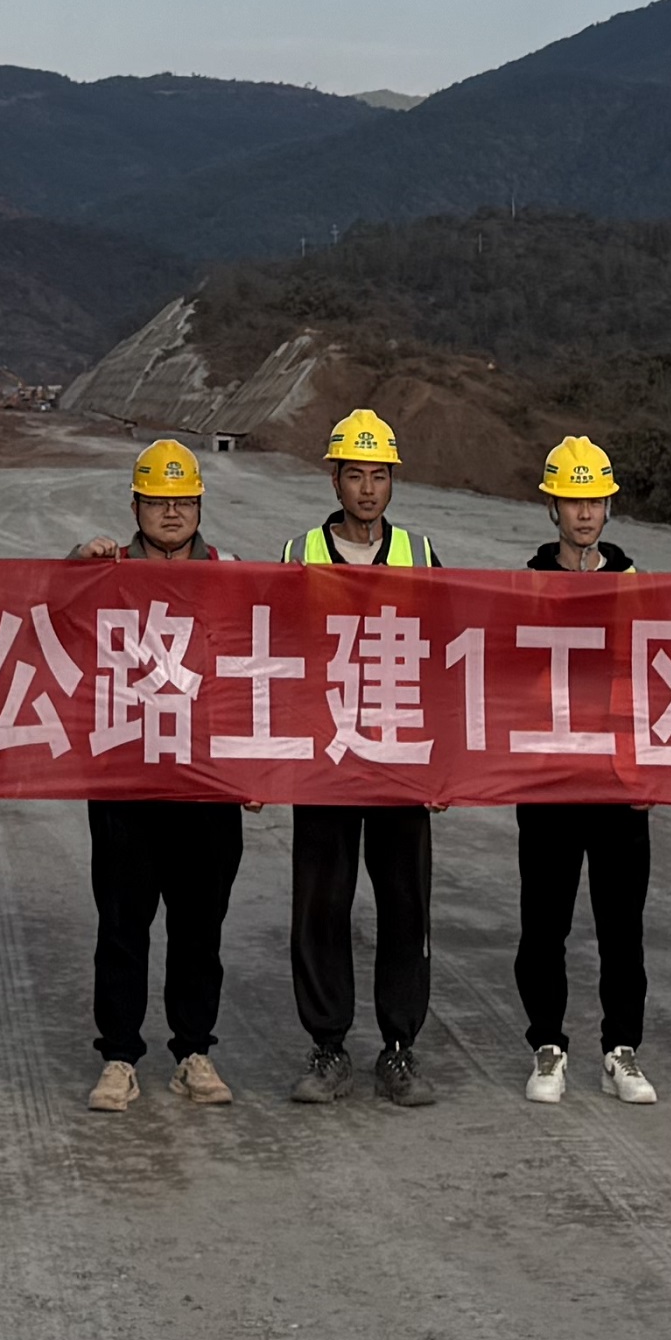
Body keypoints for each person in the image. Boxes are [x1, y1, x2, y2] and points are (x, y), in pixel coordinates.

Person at [68, 437, 240, 1111]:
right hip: (124, 777)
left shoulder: (232, 577)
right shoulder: (104, 573)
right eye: (157, 501)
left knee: (200, 924)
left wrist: (257, 766)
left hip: (206, 781)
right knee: (122, 924)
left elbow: (259, 669)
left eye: (183, 501)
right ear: (135, 505)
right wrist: (72, 566)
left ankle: (194, 1050)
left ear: (200, 505)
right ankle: (118, 1057)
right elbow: (41, 620)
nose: (171, 513)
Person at [279, 407, 439, 1108]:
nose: (368, 490)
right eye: (355, 475)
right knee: (322, 904)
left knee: (405, 905)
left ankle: (399, 1049)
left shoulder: (421, 554)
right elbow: (273, 658)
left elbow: (446, 663)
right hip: (323, 758)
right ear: (334, 479)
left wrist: (445, 768)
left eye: (379, 476)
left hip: (400, 760)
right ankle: (328, 1046)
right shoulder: (297, 554)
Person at [513, 434, 655, 1106]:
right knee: (545, 922)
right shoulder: (525, 585)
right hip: (549, 781)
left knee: (621, 924)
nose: (585, 512)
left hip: (618, 784)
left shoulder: (634, 584)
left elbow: (655, 680)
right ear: (553, 507)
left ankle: (621, 1048)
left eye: (595, 498)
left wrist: (647, 766)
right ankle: (549, 1044)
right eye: (573, 499)